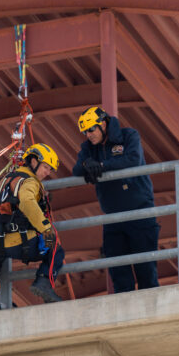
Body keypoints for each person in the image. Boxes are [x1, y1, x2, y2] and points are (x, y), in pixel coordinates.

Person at [72, 106, 160, 293]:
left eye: (91, 129)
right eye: (85, 131)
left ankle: (152, 312)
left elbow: (132, 160)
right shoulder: (89, 148)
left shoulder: (128, 136)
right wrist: (88, 164)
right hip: (113, 217)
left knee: (146, 269)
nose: (88, 135)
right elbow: (77, 169)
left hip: (140, 212)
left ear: (103, 124)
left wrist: (102, 166)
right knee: (118, 271)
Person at [0, 143, 64, 311]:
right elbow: (26, 201)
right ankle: (43, 282)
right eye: (46, 167)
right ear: (33, 161)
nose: (47, 172)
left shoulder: (4, 180)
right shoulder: (31, 181)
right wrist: (46, 228)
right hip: (23, 242)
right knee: (56, 249)